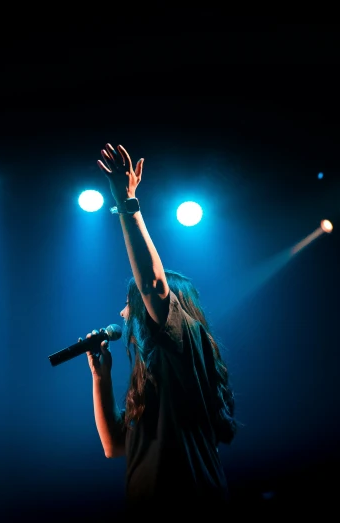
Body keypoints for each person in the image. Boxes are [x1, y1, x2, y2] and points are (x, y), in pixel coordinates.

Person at [80, 143, 238, 515]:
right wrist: (101, 379)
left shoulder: (183, 345)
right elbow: (114, 447)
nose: (122, 313)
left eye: (129, 304)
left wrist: (126, 201)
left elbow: (151, 284)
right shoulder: (153, 375)